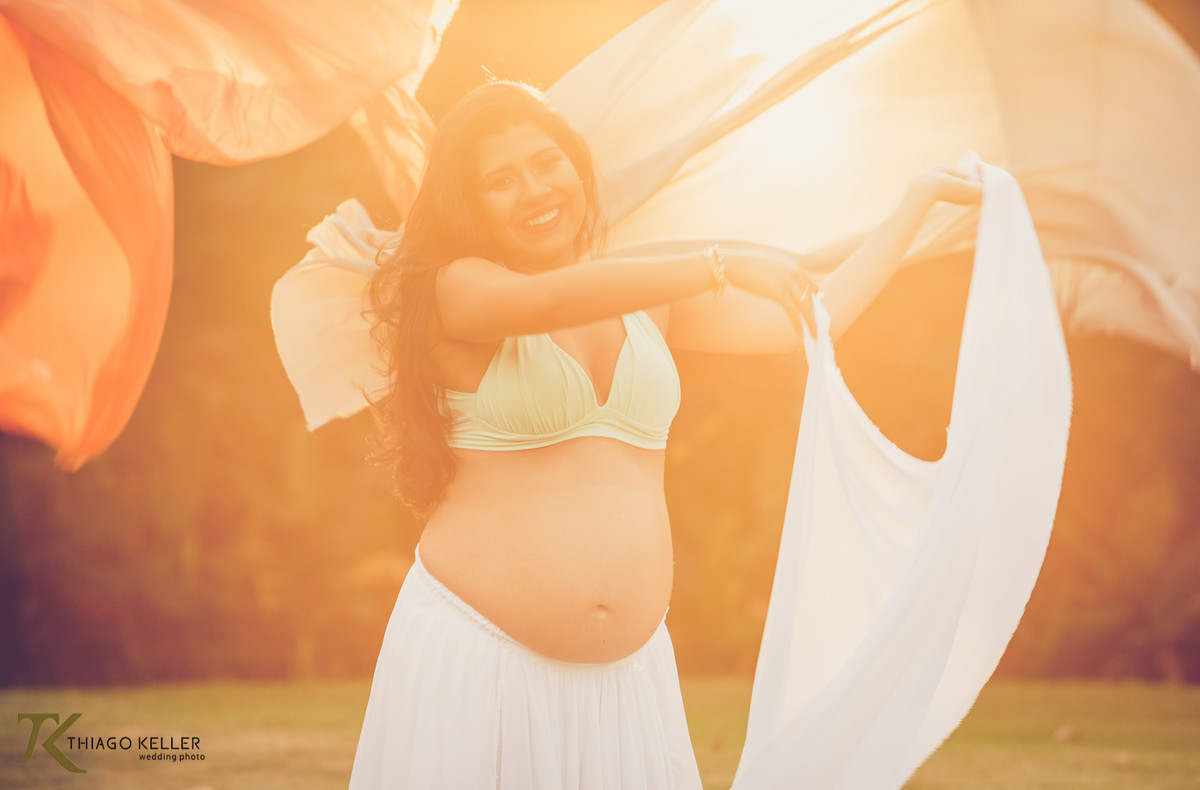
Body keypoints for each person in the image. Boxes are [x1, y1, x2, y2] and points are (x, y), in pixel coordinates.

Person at [347, 80, 982, 790]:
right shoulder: (457, 288)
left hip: (631, 679)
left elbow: (802, 320)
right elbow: (543, 300)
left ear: (578, 168)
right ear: (469, 205)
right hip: (483, 659)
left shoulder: (643, 296)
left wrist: (916, 203)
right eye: (500, 180)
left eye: (546, 162)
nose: (533, 190)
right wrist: (718, 263)